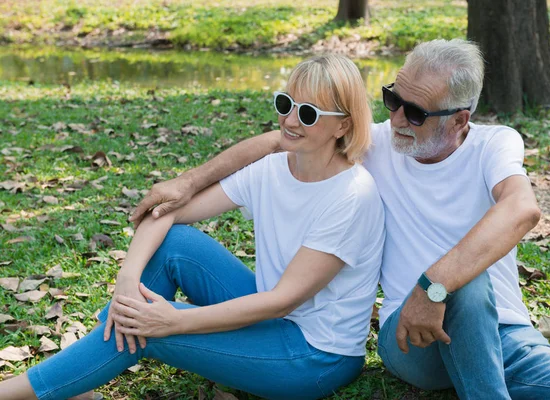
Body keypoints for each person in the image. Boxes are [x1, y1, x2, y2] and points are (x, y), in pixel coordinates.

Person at [126, 39, 550, 399]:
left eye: (415, 113)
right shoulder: (379, 143)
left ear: (459, 121)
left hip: (505, 334)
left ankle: (483, 370)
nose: (396, 119)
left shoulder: (494, 145)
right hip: (411, 337)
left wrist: (432, 286)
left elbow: (521, 209)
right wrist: (188, 182)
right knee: (466, 284)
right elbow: (279, 140)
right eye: (394, 99)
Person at [0, 54, 386, 400]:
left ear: (342, 126)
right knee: (175, 244)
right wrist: (127, 276)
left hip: (314, 356)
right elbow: (167, 213)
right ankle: (76, 376)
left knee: (146, 325)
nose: (288, 120)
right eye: (285, 104)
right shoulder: (272, 168)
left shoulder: (352, 196)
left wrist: (175, 320)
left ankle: (22, 392)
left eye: (308, 114)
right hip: (272, 315)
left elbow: (283, 300)